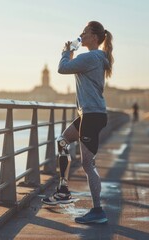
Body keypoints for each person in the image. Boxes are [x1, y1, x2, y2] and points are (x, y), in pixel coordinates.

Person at [42, 21, 113, 224]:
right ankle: (63, 190)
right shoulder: (98, 57)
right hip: (89, 114)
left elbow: (62, 69)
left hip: (91, 115)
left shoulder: (89, 57)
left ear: (93, 37)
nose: (80, 35)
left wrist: (66, 51)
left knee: (87, 164)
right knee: (63, 140)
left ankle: (98, 210)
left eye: (84, 32)